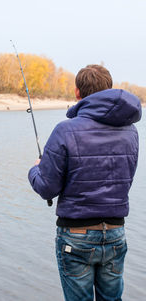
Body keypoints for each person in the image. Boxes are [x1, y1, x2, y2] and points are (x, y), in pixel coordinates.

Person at [28, 65, 142, 301]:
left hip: (76, 235)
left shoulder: (65, 130)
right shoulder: (131, 132)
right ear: (108, 89)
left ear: (77, 93)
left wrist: (35, 169)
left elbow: (47, 188)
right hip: (115, 233)